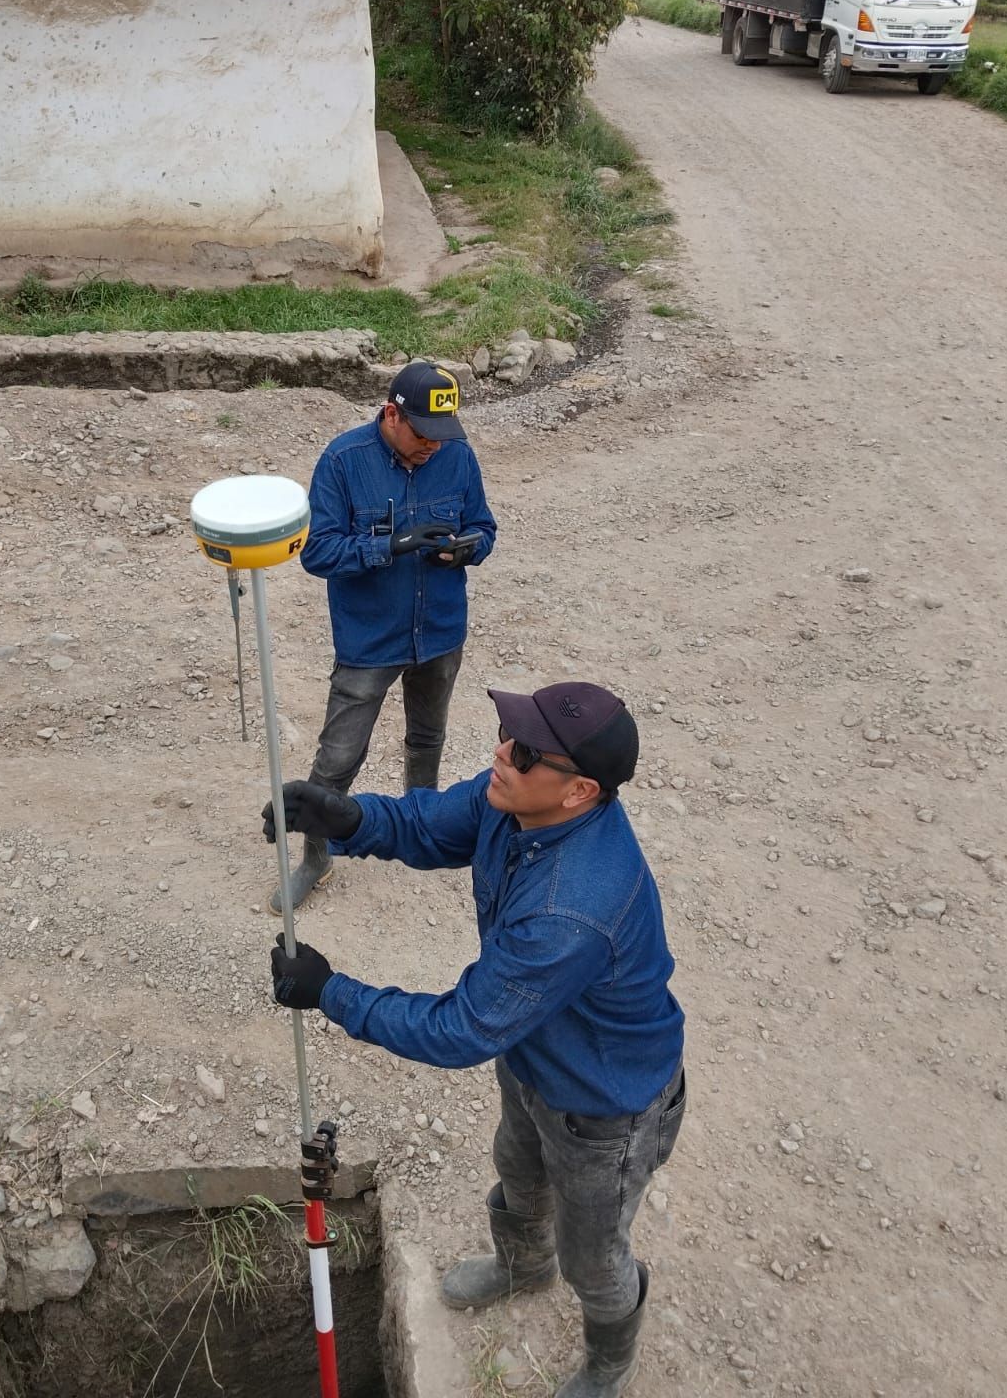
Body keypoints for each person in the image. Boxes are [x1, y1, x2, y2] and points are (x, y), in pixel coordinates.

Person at [265, 683, 686, 1396]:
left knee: (594, 1258)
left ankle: (611, 1361)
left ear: (580, 790)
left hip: (605, 1107)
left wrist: (332, 992)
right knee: (518, 1172)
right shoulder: (518, 803)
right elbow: (433, 824)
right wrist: (351, 819)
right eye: (507, 733)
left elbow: (461, 1028)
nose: (501, 752)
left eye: (525, 752)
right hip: (534, 1055)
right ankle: (523, 1266)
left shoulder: (570, 907)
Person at [274, 360, 496, 914]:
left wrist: (467, 549)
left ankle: (423, 828)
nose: (433, 446)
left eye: (442, 434)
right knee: (337, 759)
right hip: (369, 641)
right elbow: (317, 553)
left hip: (440, 632)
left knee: (428, 737)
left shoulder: (456, 455)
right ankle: (316, 857)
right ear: (391, 415)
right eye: (423, 434)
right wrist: (391, 546)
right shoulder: (343, 461)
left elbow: (485, 527)